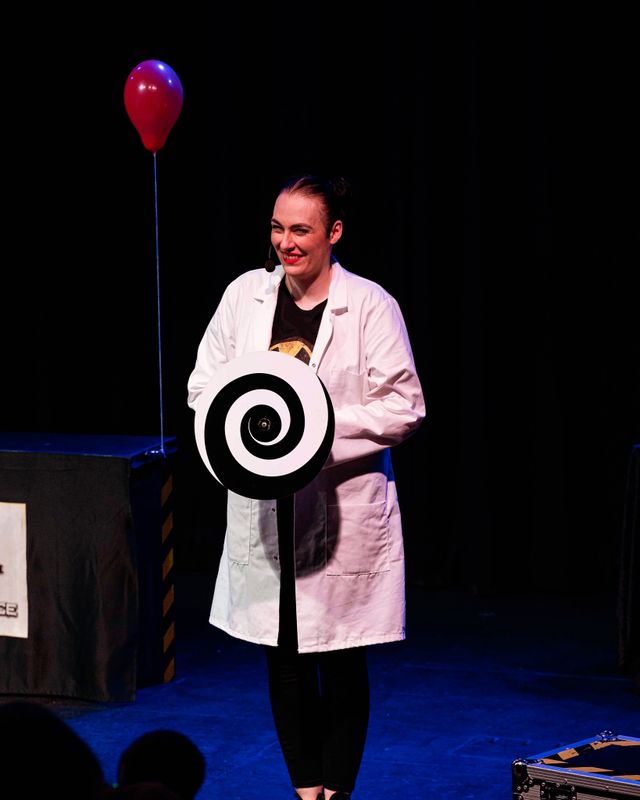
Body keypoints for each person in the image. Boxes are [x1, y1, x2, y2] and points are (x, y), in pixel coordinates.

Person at [187, 174, 425, 800]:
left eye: (300, 230)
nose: (286, 243)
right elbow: (204, 386)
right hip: (265, 507)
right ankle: (306, 791)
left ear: (333, 232)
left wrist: (310, 434)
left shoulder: (370, 305)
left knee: (342, 657)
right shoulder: (245, 296)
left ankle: (336, 794)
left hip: (339, 507)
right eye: (277, 228)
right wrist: (250, 434)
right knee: (283, 655)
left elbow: (404, 406)